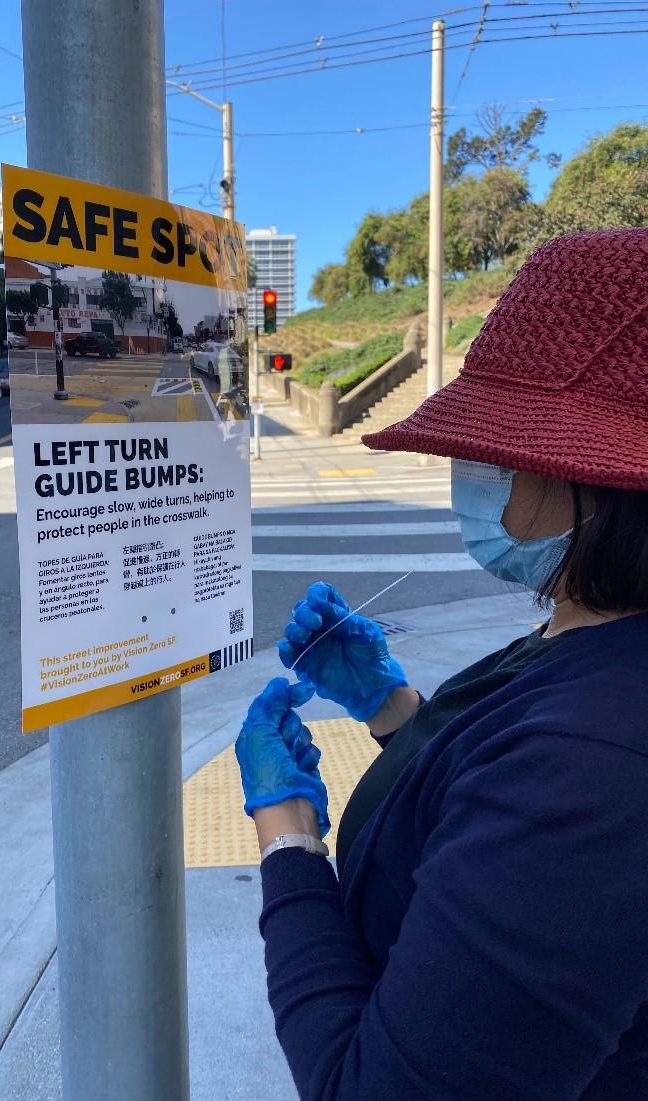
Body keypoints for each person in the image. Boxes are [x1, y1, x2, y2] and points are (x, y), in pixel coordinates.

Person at [234, 228, 648, 1100]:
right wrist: (394, 709)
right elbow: (503, 761)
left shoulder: (595, 770)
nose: (468, 466)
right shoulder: (597, 632)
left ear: (597, 481)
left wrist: (287, 839)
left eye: (498, 447)